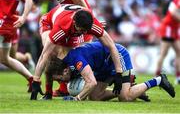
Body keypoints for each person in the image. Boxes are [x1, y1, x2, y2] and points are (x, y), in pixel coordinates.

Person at [30, 4, 123, 100]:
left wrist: (119, 73)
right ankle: (48, 93)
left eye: (85, 31)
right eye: (81, 30)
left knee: (71, 55)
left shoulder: (92, 25)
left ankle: (64, 88)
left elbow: (111, 46)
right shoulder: (61, 28)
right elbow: (44, 55)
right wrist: (36, 80)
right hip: (49, 23)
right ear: (74, 22)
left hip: (73, 25)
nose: (83, 33)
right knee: (51, 54)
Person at [42, 41, 175, 101]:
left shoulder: (76, 61)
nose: (60, 82)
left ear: (65, 71)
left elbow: (92, 83)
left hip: (117, 55)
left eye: (59, 79)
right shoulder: (69, 64)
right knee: (94, 97)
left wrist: (76, 98)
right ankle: (132, 90)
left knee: (125, 98)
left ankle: (158, 80)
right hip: (102, 65)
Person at [50, 0, 94, 97]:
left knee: (76, 56)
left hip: (80, 23)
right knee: (63, 55)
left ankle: (67, 88)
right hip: (72, 22)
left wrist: (90, 18)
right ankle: (64, 88)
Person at [0, 0, 33, 92]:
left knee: (9, 57)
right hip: (8, 23)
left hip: (4, 22)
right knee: (5, 59)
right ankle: (32, 80)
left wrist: (24, 17)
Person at [156, 0, 180, 84]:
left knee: (179, 52)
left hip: (175, 27)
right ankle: (157, 76)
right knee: (164, 53)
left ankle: (178, 77)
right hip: (169, 27)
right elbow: (174, 12)